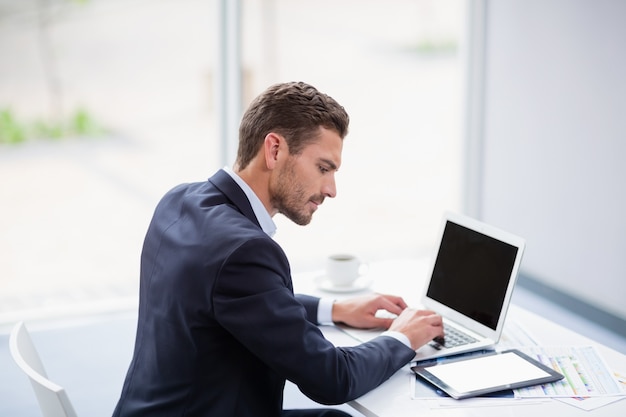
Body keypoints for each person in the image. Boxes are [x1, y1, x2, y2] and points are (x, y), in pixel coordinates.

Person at [112, 81, 444, 417]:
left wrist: (335, 309)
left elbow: (230, 299)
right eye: (323, 168)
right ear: (274, 150)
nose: (331, 190)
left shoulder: (179, 200)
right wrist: (402, 338)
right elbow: (331, 378)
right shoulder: (244, 251)